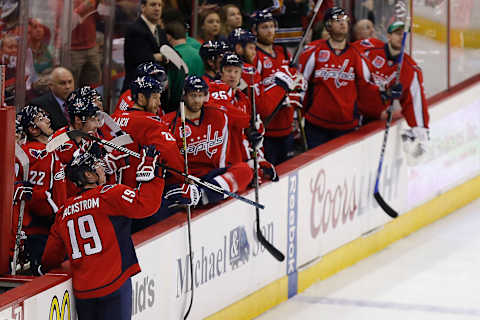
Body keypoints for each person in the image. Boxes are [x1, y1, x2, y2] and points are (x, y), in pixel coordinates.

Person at [38, 145, 165, 320]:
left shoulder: (64, 211)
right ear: (89, 175)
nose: (102, 168)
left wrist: (42, 269)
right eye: (97, 165)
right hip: (113, 285)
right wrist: (154, 175)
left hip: (84, 293)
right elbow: (147, 205)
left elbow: (51, 257)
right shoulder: (109, 194)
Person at [298, 7, 388, 149]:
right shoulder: (313, 51)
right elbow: (301, 84)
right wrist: (297, 116)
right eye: (337, 20)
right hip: (316, 125)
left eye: (345, 20)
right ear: (328, 25)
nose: (343, 23)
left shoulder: (357, 55)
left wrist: (381, 109)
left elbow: (366, 89)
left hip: (346, 126)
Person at [162, 75, 253, 206]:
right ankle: (210, 195)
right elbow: (169, 163)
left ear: (206, 96)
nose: (197, 100)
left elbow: (221, 160)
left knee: (245, 170)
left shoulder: (219, 116)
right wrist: (185, 180)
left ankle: (201, 196)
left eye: (200, 95)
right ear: (184, 95)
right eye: (193, 95)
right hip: (185, 180)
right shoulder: (168, 124)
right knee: (173, 193)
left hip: (211, 177)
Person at [353, 21, 429, 162]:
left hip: (374, 120)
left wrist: (420, 131)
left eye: (405, 35)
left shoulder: (410, 69)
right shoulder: (368, 48)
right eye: (397, 34)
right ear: (388, 36)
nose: (402, 37)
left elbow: (415, 103)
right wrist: (382, 92)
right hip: (350, 114)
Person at [13, 105, 66, 273]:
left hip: (39, 228)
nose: (48, 120)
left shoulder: (42, 151)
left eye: (46, 115)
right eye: (41, 119)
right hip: (42, 231)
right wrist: (62, 214)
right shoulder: (38, 154)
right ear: (32, 129)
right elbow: (40, 198)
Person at [123, 0, 168, 91]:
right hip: (137, 89)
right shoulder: (135, 29)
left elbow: (171, 52)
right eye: (153, 5)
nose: (157, 8)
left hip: (155, 90)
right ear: (143, 7)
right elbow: (141, 59)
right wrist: (159, 57)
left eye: (160, 5)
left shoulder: (160, 30)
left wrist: (161, 57)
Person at [29, 67, 75, 131]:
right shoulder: (39, 105)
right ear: (51, 85)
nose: (68, 86)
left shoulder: (80, 101)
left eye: (70, 82)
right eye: (62, 83)